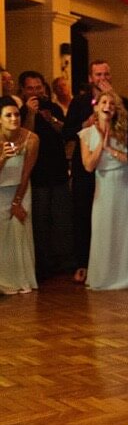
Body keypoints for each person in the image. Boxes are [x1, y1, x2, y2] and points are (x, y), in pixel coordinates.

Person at [78, 91, 128, 290]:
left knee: (126, 232)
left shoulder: (124, 131)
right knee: (103, 232)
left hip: (125, 187)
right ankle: (103, 277)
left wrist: (110, 147)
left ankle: (126, 277)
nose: (108, 106)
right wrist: (101, 145)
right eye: (104, 102)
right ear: (96, 107)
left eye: (112, 104)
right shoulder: (86, 134)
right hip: (103, 188)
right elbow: (88, 166)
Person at [19, 70, 73, 281]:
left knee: (61, 218)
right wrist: (31, 114)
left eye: (38, 87)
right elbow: (24, 138)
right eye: (30, 88)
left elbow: (66, 133)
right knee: (40, 220)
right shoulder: (20, 112)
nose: (35, 92)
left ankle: (63, 260)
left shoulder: (53, 107)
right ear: (23, 90)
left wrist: (52, 120)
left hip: (58, 171)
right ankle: (43, 264)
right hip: (37, 174)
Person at [0, 96, 39, 294]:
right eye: (8, 115)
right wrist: (2, 158)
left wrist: (17, 202)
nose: (14, 118)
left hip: (20, 191)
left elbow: (26, 173)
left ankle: (19, 279)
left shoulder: (31, 139)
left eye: (16, 114)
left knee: (18, 234)